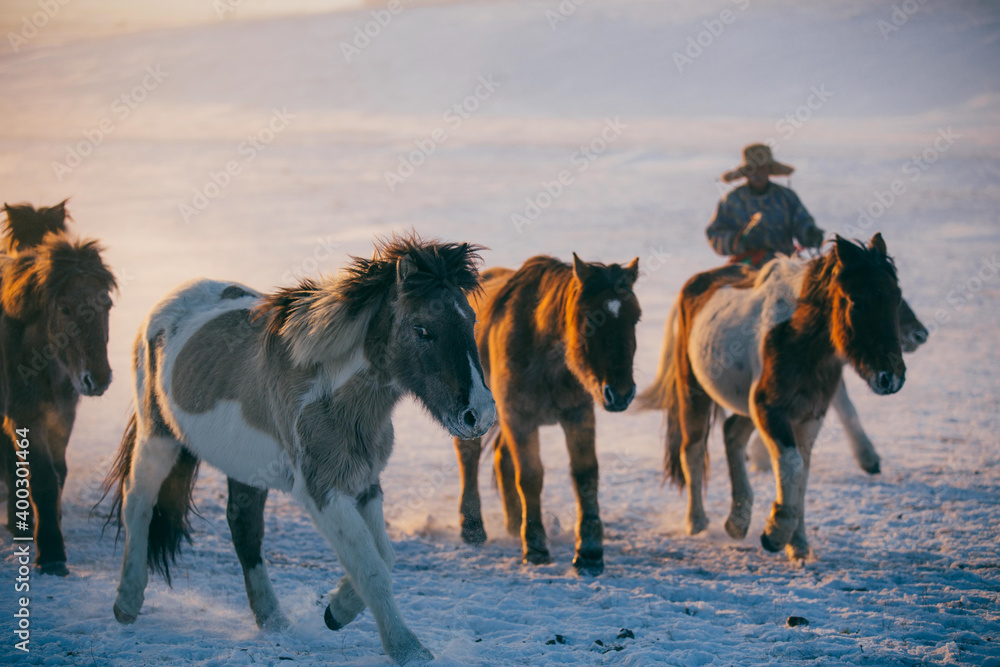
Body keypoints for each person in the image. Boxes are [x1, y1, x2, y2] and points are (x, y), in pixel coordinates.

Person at [706, 144, 824, 267]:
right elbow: (714, 233)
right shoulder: (732, 200)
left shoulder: (786, 196)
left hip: (786, 262)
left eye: (762, 168)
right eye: (752, 169)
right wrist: (735, 240)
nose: (757, 173)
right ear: (746, 172)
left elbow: (802, 222)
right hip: (747, 264)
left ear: (769, 170)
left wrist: (810, 233)